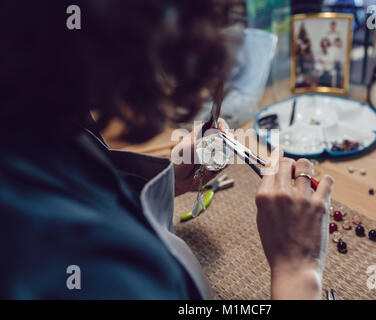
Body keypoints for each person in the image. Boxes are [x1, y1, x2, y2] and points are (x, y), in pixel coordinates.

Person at [0, 1, 334, 299]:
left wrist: (164, 181)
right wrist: (297, 271)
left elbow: (76, 177)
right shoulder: (94, 268)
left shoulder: (32, 116)